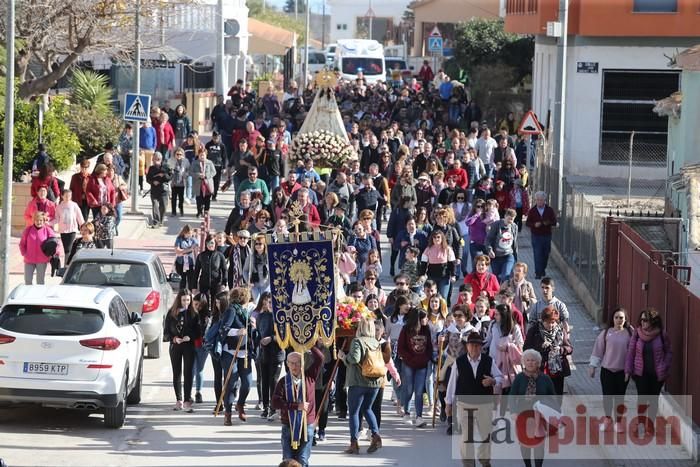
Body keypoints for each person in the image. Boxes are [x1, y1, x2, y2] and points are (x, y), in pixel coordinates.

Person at [445, 331, 503, 467]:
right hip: (464, 403)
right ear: (467, 346)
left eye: (478, 346)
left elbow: (501, 377)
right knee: (467, 436)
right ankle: (468, 463)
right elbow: (452, 384)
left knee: (485, 434)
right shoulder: (459, 362)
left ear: (481, 347)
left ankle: (484, 461)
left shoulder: (488, 361)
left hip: (485, 403)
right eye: (472, 345)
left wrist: (493, 381)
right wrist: (448, 403)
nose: (475, 348)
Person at [272, 344, 324, 467]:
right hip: (288, 425)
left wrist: (309, 344)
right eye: (292, 363)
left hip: (307, 425)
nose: (295, 366)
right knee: (287, 460)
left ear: (302, 363)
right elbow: (275, 402)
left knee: (303, 460)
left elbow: (320, 358)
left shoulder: (309, 376)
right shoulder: (283, 382)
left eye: (298, 363)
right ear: (287, 364)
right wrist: (295, 406)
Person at [338, 317, 384, 455]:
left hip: (358, 381)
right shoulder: (376, 342)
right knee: (367, 408)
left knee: (354, 412)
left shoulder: (357, 341)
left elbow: (355, 359)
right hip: (375, 381)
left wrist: (343, 357)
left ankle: (354, 443)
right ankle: (375, 435)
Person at [624, 307, 672, 435]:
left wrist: (665, 365)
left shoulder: (661, 334)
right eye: (642, 320)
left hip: (657, 374)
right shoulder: (637, 334)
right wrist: (628, 370)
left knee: (653, 400)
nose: (643, 323)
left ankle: (650, 426)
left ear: (653, 321)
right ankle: (640, 425)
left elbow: (668, 352)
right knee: (642, 399)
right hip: (641, 374)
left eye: (646, 320)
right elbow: (631, 352)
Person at [509, 349, 557, 467]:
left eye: (533, 360)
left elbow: (553, 397)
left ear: (538, 363)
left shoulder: (545, 379)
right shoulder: (519, 378)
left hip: (540, 416)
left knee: (539, 443)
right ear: (524, 362)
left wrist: (552, 412)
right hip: (522, 415)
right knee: (524, 443)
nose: (530, 363)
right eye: (528, 360)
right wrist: (513, 411)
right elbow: (511, 396)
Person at [589, 307, 633, 432]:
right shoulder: (606, 333)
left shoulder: (630, 333)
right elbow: (598, 350)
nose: (619, 320)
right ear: (613, 319)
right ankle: (608, 419)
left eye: (621, 318)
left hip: (622, 372)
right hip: (607, 370)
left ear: (625, 319)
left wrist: (628, 370)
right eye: (616, 317)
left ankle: (618, 422)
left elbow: (633, 353)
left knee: (620, 397)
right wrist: (593, 366)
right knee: (607, 396)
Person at [219, 287, 258, 425]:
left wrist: (253, 327)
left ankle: (240, 404)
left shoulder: (245, 312)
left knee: (247, 383)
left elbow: (250, 333)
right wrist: (237, 331)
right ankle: (228, 412)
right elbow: (224, 329)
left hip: (244, 352)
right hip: (230, 352)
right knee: (231, 382)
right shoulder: (232, 310)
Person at [164, 289, 202, 412]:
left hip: (188, 345)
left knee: (188, 372)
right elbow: (166, 333)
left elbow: (198, 331)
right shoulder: (172, 313)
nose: (186, 302)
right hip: (176, 346)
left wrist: (190, 337)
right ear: (179, 300)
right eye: (183, 300)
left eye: (188, 300)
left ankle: (187, 400)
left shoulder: (194, 314)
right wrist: (174, 338)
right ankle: (179, 399)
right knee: (177, 372)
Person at [484, 304, 523, 415]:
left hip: (510, 365)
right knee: (496, 387)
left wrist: (508, 347)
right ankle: (497, 414)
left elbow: (520, 345)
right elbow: (488, 340)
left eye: (496, 314)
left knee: (508, 390)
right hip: (495, 361)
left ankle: (508, 413)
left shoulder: (514, 327)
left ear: (504, 315)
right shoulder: (492, 325)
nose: (494, 316)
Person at [524, 306, 572, 396]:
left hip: (557, 371)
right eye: (548, 322)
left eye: (553, 322)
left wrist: (560, 350)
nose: (550, 325)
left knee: (556, 398)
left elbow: (569, 348)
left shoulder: (560, 331)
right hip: (540, 370)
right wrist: (540, 347)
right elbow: (526, 349)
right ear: (543, 320)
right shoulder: (534, 331)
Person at [397, 308, 433, 427]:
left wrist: (426, 358)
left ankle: (419, 416)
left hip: (422, 365)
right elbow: (401, 348)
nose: (427, 320)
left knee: (419, 391)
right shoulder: (406, 329)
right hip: (409, 364)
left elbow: (429, 347)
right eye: (424, 318)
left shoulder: (426, 329)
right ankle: (406, 412)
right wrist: (410, 359)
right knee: (408, 389)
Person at [256, 292, 284, 419]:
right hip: (264, 352)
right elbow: (258, 331)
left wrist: (272, 338)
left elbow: (284, 335)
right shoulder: (261, 317)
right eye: (267, 302)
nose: (269, 304)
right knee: (264, 380)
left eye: (271, 302)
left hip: (277, 353)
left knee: (274, 381)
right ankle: (265, 406)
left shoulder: (280, 316)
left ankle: (273, 407)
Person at [20, 211, 61, 285]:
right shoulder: (28, 230)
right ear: (34, 220)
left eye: (40, 220)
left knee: (40, 281)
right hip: (29, 259)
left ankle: (39, 296)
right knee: (28, 281)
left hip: (42, 260)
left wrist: (56, 253)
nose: (39, 222)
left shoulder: (48, 230)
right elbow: (22, 243)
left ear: (44, 221)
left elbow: (56, 243)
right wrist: (24, 253)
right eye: (37, 220)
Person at [525, 192, 558, 279]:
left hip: (547, 235)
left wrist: (548, 222)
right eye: (538, 200)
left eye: (541, 200)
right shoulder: (532, 211)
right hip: (536, 235)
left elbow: (554, 221)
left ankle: (542, 269)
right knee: (537, 253)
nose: (539, 202)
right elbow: (527, 223)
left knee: (546, 253)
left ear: (545, 201)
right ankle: (538, 273)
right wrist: (534, 225)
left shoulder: (549, 210)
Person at [419, 230, 457, 303]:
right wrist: (422, 275)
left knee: (443, 297)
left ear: (442, 238)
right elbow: (423, 264)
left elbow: (452, 264)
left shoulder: (448, 249)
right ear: (432, 239)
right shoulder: (427, 250)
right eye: (434, 237)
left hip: (444, 277)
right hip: (432, 277)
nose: (436, 239)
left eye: (438, 237)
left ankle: (443, 313)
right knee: (431, 297)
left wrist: (453, 275)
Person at [485, 208, 518, 283]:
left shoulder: (514, 226)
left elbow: (515, 243)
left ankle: (504, 292)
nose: (510, 221)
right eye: (509, 219)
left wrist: (515, 257)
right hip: (496, 256)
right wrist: (490, 250)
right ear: (505, 216)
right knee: (496, 278)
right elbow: (488, 239)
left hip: (508, 255)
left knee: (506, 275)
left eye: (512, 219)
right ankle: (498, 293)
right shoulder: (496, 225)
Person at [192, 293, 211, 404]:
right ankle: (189, 393)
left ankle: (198, 392)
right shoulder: (190, 313)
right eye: (194, 304)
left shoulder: (206, 315)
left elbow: (205, 330)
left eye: (197, 304)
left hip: (202, 346)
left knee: (198, 369)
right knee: (191, 369)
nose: (195, 306)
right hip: (191, 344)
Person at [146, 152, 172, 227]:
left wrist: (163, 175)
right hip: (154, 190)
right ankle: (156, 221)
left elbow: (169, 178)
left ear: (160, 159)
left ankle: (160, 220)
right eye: (154, 159)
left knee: (163, 206)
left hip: (163, 190)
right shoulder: (151, 168)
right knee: (155, 205)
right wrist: (153, 182)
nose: (155, 161)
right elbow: (148, 179)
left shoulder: (166, 166)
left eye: (157, 159)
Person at [243, 235, 270, 302]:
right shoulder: (251, 257)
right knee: (257, 302)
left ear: (264, 245)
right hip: (254, 284)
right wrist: (248, 281)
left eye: (260, 244)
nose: (258, 246)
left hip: (266, 284)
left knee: (265, 302)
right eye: (256, 244)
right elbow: (245, 271)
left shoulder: (269, 256)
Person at [190, 147, 216, 218]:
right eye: (200, 155)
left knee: (207, 199)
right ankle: (199, 211)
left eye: (203, 155)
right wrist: (198, 174)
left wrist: (207, 175)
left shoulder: (209, 162)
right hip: (198, 183)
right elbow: (191, 172)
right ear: (198, 155)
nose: (202, 156)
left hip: (207, 183)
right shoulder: (195, 163)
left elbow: (214, 172)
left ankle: (206, 211)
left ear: (206, 155)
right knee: (199, 198)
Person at [174, 225, 199, 291]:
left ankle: (190, 295)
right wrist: (189, 249)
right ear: (184, 232)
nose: (190, 235)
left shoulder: (193, 239)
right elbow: (177, 250)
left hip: (190, 262)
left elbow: (196, 248)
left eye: (191, 233)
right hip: (181, 262)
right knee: (183, 279)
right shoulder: (179, 238)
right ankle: (181, 293)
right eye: (188, 233)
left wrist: (183, 251)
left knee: (190, 280)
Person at [170, 148, 190, 217]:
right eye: (177, 154)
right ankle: (173, 211)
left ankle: (181, 210)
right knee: (173, 198)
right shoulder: (171, 161)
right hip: (174, 183)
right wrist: (171, 172)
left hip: (182, 182)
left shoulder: (186, 161)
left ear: (183, 155)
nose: (179, 156)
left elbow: (188, 170)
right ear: (175, 154)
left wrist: (186, 174)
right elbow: (168, 169)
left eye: (180, 154)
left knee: (181, 198)